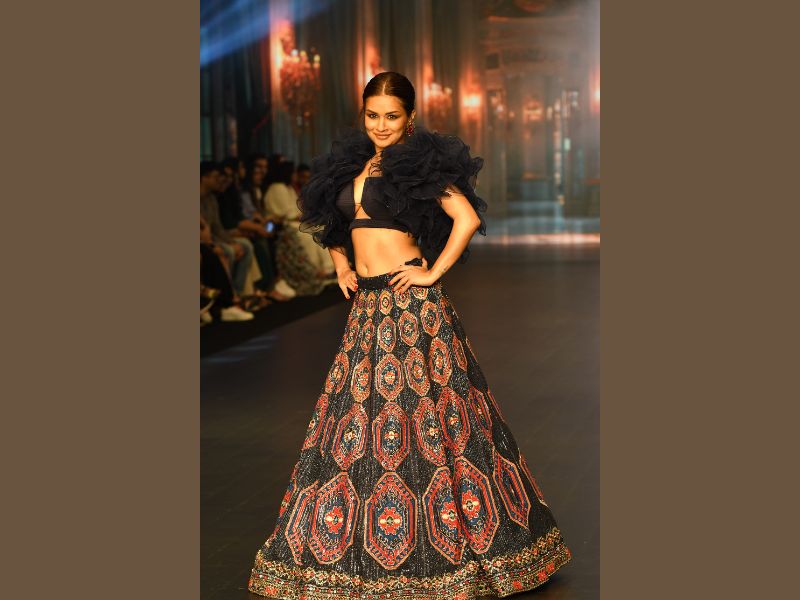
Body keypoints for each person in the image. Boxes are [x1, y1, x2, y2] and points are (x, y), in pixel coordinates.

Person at [247, 72, 571, 600]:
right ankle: (360, 546)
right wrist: (341, 266)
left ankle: (443, 546)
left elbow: (465, 217)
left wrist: (432, 272)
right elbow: (333, 223)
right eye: (372, 115)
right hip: (367, 309)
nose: (381, 125)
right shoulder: (351, 166)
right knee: (359, 423)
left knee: (430, 424)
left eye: (391, 116)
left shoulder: (417, 164)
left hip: (412, 307)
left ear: (410, 118)